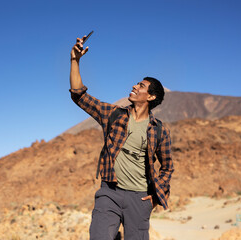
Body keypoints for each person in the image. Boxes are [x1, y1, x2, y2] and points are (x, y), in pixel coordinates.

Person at [69, 35, 174, 240]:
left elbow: (168, 166)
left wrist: (155, 196)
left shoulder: (158, 130)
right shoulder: (113, 114)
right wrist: (75, 60)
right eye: (136, 84)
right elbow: (79, 95)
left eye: (141, 86)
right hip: (110, 193)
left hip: (139, 198)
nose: (135, 86)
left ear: (151, 97)